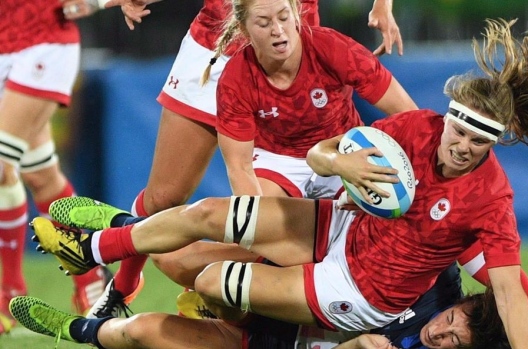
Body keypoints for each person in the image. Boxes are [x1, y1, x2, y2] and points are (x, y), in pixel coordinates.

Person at [30, 17, 528, 349]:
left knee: (196, 284)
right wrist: (342, 165)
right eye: (459, 129)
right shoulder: (418, 132)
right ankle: (101, 246)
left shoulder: (489, 199)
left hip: (347, 297)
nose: (462, 146)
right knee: (206, 220)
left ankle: (81, 324)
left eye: (479, 142)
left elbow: (502, 289)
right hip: (341, 231)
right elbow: (495, 284)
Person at [85, 0, 406, 319]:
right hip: (214, 49)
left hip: (290, 49)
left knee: (296, 235)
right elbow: (239, 171)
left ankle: (219, 296)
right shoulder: (237, 64)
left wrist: (382, 5)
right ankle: (124, 284)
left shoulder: (326, 48)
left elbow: (410, 117)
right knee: (164, 197)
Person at [8, 258, 528, 349]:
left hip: (272, 345)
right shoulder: (439, 282)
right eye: (453, 323)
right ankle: (113, 235)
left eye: (455, 345)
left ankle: (74, 329)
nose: (441, 334)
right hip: (280, 294)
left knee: (144, 334)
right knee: (191, 267)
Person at [0, 0, 114, 334]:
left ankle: (9, 290)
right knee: (40, 176)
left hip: (43, 43)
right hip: (5, 41)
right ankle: (89, 273)